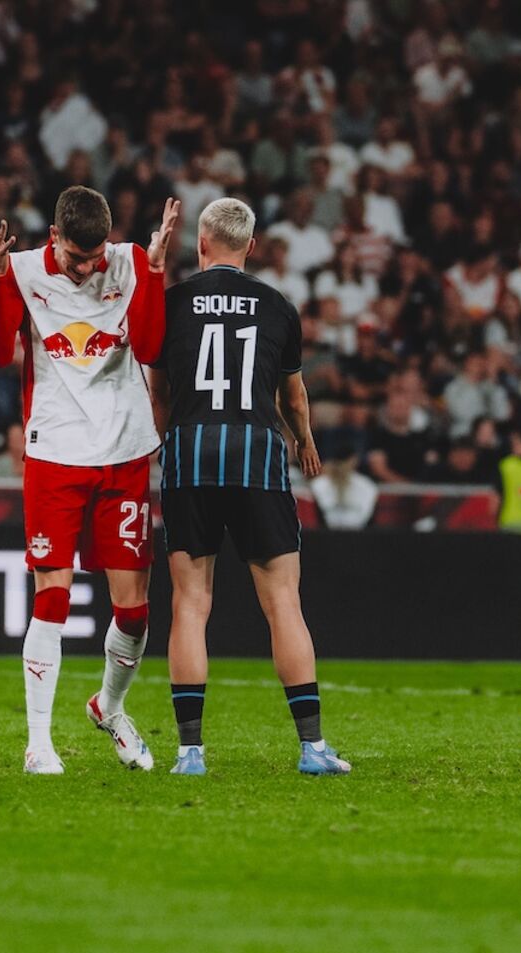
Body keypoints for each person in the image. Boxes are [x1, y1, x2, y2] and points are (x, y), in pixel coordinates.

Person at [0, 187, 178, 774]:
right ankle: (38, 741)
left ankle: (109, 707)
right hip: (55, 453)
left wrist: (158, 269)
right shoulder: (18, 270)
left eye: (96, 257)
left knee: (135, 611)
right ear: (53, 236)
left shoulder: (132, 261)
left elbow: (148, 346)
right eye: (75, 258)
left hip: (124, 453)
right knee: (53, 599)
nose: (88, 269)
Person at [148, 197, 347, 776]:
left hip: (190, 454)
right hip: (258, 456)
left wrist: (166, 438)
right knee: (283, 602)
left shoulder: (174, 305)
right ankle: (311, 748)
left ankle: (190, 753)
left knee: (190, 603)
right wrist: (304, 439)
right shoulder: (279, 307)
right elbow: (293, 395)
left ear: (202, 243)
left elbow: (160, 389)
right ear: (251, 247)